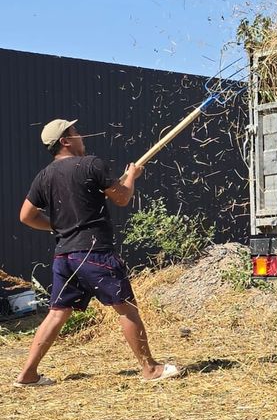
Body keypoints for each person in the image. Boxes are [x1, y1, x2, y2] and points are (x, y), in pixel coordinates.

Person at [14, 119, 179, 387]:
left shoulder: (43, 176)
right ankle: (149, 369)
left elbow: (26, 216)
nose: (81, 135)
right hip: (94, 252)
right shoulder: (92, 164)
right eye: (75, 132)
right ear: (65, 141)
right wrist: (132, 177)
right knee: (126, 309)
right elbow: (122, 197)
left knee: (57, 313)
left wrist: (56, 226)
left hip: (65, 256)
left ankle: (28, 374)